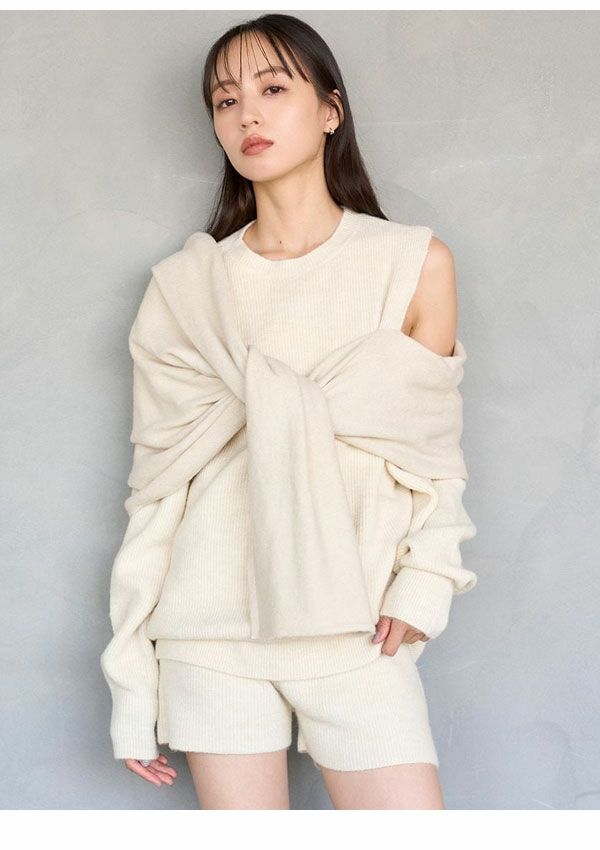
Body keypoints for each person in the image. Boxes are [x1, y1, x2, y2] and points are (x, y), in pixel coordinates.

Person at [100, 13, 478, 810]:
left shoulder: (413, 263)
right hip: (208, 635)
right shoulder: (186, 288)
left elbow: (434, 459)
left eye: (273, 89)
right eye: (225, 99)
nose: (248, 114)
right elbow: (157, 496)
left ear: (330, 110)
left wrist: (425, 587)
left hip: (354, 627)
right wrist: (131, 682)